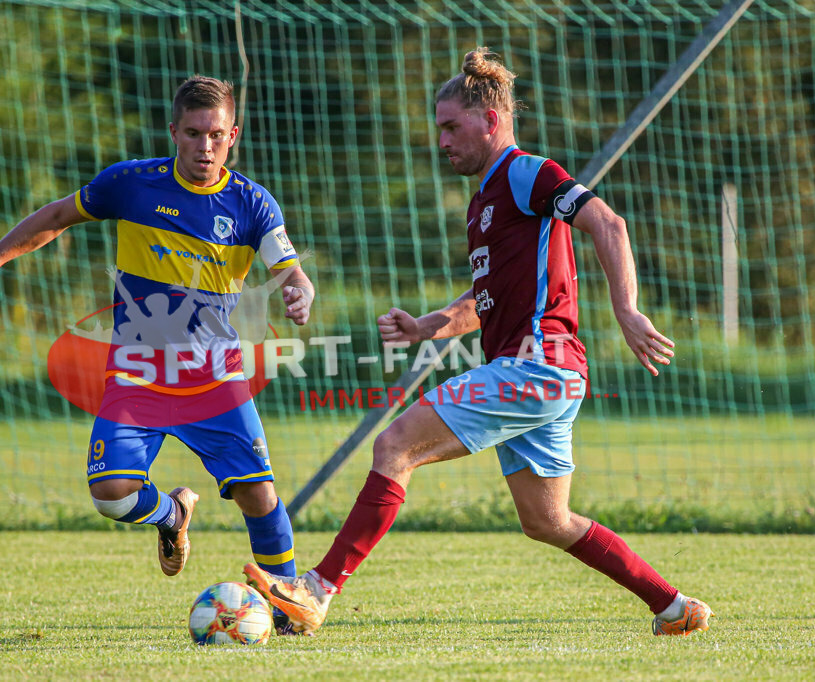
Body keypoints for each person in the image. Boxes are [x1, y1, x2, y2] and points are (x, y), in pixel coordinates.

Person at [243, 48, 712, 637]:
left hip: (537, 365)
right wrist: (427, 326)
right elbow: (484, 298)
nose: (441, 141)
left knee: (394, 445)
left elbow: (607, 223)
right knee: (547, 520)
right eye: (438, 128)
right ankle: (674, 607)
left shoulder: (525, 172)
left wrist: (627, 310)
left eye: (451, 127)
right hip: (548, 373)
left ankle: (316, 589)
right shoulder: (484, 201)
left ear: (490, 120)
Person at [0, 75, 314, 634]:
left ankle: (289, 605)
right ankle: (172, 514)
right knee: (110, 493)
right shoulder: (130, 184)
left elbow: (290, 270)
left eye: (216, 135)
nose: (204, 147)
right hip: (139, 373)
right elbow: (56, 217)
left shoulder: (251, 203)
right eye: (193, 134)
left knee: (258, 494)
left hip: (213, 378)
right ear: (173, 131)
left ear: (233, 136)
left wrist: (300, 291)